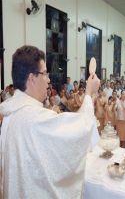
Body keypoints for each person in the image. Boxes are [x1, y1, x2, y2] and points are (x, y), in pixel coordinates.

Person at [0, 45, 100, 199]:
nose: (48, 80)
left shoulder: (10, 114)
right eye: (45, 73)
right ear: (32, 78)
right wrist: (88, 93)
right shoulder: (34, 118)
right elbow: (81, 129)